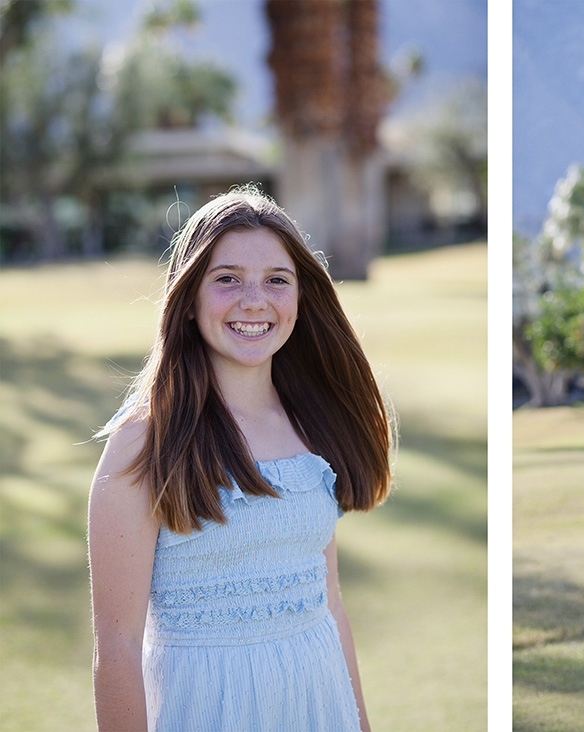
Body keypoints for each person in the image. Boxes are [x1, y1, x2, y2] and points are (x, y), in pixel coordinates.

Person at [88, 187, 392, 732]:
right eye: (227, 278)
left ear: (300, 296)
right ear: (189, 298)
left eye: (277, 279)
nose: (255, 300)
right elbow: (116, 645)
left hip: (317, 707)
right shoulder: (144, 442)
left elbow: (330, 605)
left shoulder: (309, 423)